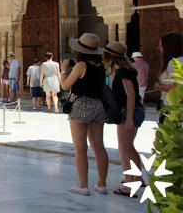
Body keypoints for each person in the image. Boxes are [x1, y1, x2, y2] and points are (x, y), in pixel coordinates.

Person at [59, 33, 109, 196]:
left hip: (81, 106)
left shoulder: (81, 66)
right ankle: (101, 184)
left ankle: (83, 185)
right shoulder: (101, 66)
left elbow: (65, 86)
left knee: (80, 148)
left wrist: (64, 70)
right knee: (99, 147)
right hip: (98, 106)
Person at [103, 41, 144, 197]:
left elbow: (131, 95)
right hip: (134, 111)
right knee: (129, 146)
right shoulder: (128, 70)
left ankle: (128, 184)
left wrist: (128, 118)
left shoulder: (123, 72)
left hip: (128, 112)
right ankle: (138, 177)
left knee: (123, 148)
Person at [155, 32, 183, 124]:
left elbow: (176, 87)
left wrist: (158, 86)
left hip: (172, 107)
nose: (159, 48)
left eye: (161, 45)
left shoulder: (175, 62)